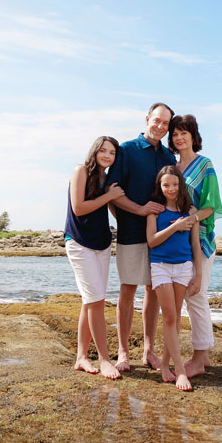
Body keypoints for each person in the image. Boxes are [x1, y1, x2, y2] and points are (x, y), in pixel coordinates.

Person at [106, 103, 176, 371]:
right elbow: (113, 192)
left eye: (165, 123)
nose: (160, 126)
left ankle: (149, 350)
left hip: (160, 235)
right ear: (147, 119)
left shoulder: (169, 157)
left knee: (154, 291)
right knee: (128, 289)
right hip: (132, 233)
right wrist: (138, 210)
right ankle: (123, 352)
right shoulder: (127, 150)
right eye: (157, 120)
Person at [64, 136, 125, 380]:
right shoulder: (81, 171)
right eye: (103, 151)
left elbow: (114, 210)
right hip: (79, 242)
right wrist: (108, 196)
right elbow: (79, 208)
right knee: (97, 301)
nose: (107, 156)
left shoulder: (107, 179)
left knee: (89, 301)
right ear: (95, 151)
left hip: (102, 244)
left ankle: (81, 357)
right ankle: (104, 359)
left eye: (112, 153)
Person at [169, 114, 222, 378]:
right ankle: (204, 355)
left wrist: (192, 218)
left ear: (193, 136)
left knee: (196, 295)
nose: (179, 138)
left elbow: (212, 205)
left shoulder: (205, 165)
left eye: (184, 133)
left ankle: (199, 359)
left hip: (199, 237)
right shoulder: (173, 166)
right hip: (178, 238)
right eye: (175, 134)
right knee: (189, 298)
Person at [146, 165, 202, 391]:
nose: (171, 189)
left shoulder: (190, 210)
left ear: (181, 185)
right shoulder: (155, 211)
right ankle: (180, 371)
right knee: (169, 317)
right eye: (166, 185)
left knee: (176, 317)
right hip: (160, 267)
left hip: (184, 268)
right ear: (160, 186)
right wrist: (175, 227)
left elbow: (195, 245)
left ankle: (166, 364)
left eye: (175, 184)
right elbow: (152, 241)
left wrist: (197, 274)